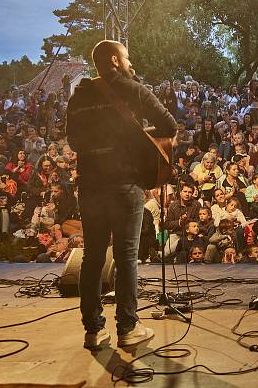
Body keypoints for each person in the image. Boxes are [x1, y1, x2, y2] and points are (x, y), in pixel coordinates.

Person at [67, 40, 176, 349]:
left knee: (92, 257)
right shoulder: (130, 89)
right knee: (126, 256)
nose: (131, 64)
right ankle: (127, 328)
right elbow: (169, 125)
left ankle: (93, 330)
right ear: (115, 60)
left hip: (90, 186)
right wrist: (137, 139)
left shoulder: (79, 96)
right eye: (128, 59)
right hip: (124, 184)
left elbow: (74, 142)